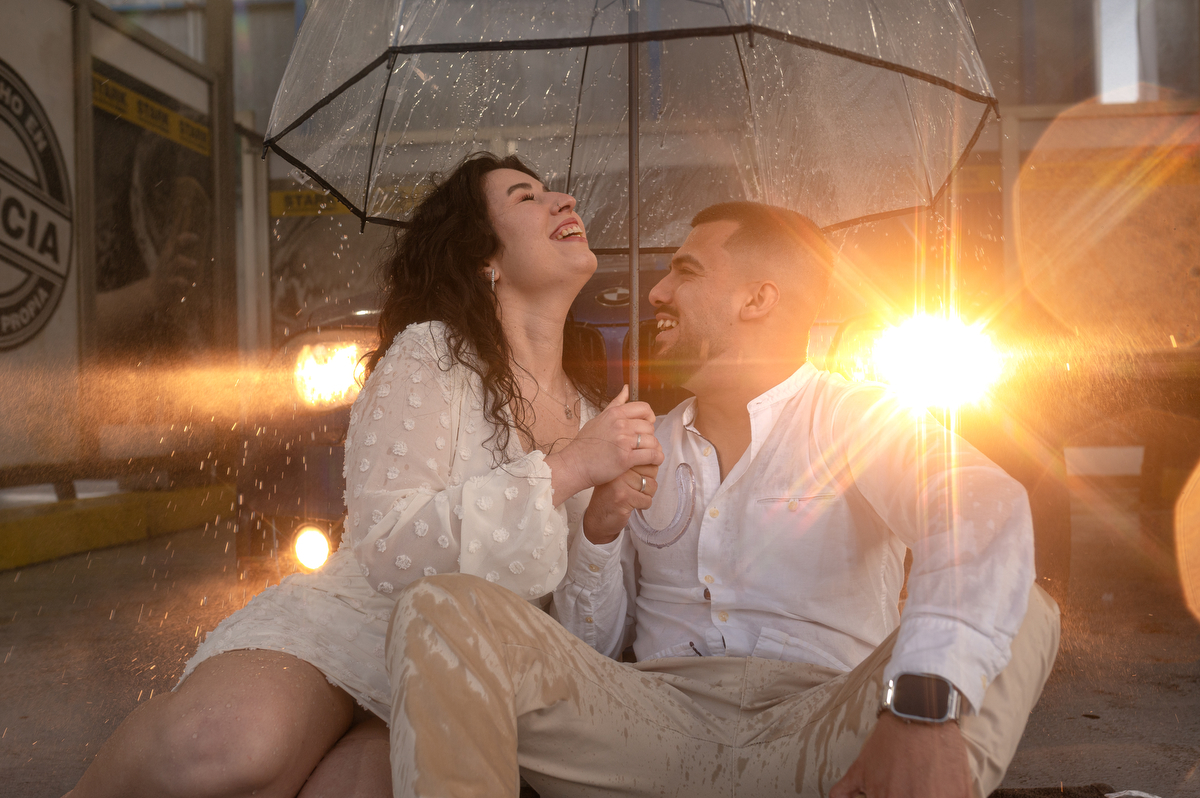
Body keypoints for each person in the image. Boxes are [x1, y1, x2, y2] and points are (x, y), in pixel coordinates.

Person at [384, 202, 1061, 797]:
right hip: (648, 729)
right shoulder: (638, 444)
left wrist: (923, 704)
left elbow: (983, 511)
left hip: (826, 729)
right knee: (440, 607)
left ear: (757, 300)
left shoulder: (859, 417)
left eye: (686, 270)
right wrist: (600, 531)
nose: (656, 293)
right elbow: (594, 646)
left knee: (1024, 609)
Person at [65, 152, 664, 798]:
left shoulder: (599, 420)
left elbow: (585, 647)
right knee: (223, 749)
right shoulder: (432, 355)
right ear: (482, 257)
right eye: (526, 197)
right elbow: (389, 545)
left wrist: (601, 528)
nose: (562, 200)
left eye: (552, 193)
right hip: (350, 627)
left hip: (451, 679)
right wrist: (566, 469)